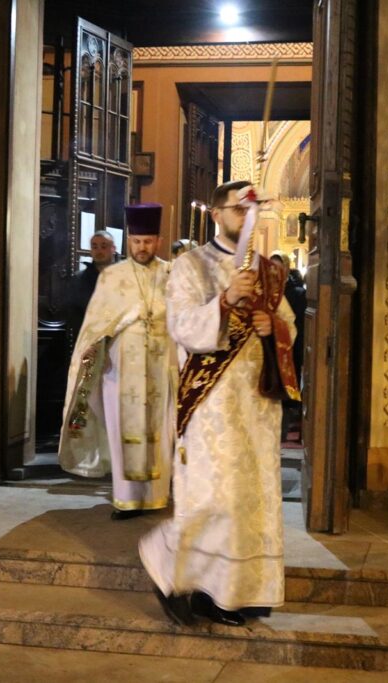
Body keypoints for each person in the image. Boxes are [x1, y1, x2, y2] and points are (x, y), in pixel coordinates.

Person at [139, 180, 298, 627]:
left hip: (257, 404)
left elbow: (288, 324)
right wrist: (225, 300)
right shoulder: (190, 266)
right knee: (214, 498)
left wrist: (273, 328)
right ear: (216, 214)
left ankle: (236, 592)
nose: (247, 218)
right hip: (211, 404)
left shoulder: (269, 271)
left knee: (252, 500)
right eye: (238, 210)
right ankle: (168, 566)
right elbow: (182, 326)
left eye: (251, 211)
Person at [58, 204, 177, 520]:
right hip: (120, 369)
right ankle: (126, 499)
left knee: (161, 431)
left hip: (161, 366)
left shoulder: (172, 274)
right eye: (136, 241)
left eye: (148, 241)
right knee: (122, 429)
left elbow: (184, 318)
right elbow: (96, 324)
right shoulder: (112, 277)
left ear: (159, 241)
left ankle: (156, 496)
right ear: (128, 241)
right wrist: (92, 350)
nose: (142, 247)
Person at [271, 252, 306, 440]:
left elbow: (295, 324)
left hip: (289, 348)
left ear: (286, 268)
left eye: (279, 267)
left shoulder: (297, 293)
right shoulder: (264, 289)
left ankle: (282, 432)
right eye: (271, 266)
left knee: (284, 393)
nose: (274, 271)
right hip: (268, 351)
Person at [66, 231, 117, 340]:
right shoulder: (79, 280)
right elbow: (73, 314)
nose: (99, 251)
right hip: (89, 340)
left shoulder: (125, 278)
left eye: (104, 246)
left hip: (119, 339)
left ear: (113, 249)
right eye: (95, 247)